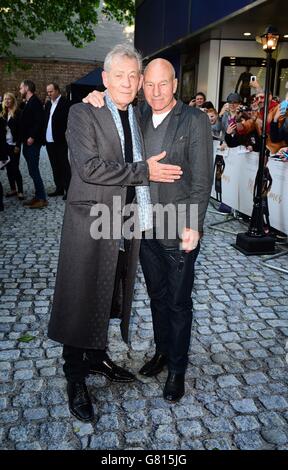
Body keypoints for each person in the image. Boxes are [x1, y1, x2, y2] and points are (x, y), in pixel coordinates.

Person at [47, 44, 182, 422]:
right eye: (117, 76)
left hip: (124, 223)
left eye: (132, 76)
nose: (126, 82)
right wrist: (143, 172)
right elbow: (89, 168)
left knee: (110, 293)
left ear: (139, 82)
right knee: (81, 295)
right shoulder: (82, 112)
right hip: (90, 222)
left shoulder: (137, 116)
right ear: (104, 79)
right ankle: (74, 374)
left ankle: (95, 356)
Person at [84, 58, 213, 403]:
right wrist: (94, 97)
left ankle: (178, 369)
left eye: (163, 84)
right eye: (150, 85)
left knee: (178, 301)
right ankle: (162, 352)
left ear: (175, 84)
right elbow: (110, 117)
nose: (156, 92)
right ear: (143, 85)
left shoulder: (195, 120)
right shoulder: (137, 116)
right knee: (156, 296)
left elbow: (202, 180)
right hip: (145, 226)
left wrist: (194, 226)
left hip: (179, 224)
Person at [19, 80, 47, 209]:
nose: (20, 90)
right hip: (27, 142)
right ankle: (38, 196)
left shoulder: (35, 102)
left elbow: (39, 121)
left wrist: (32, 137)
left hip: (32, 142)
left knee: (34, 171)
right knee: (32, 170)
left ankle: (42, 198)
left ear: (26, 88)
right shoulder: (29, 102)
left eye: (21, 88)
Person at [44, 83, 71, 200]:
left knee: (64, 165)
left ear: (57, 90)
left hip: (60, 140)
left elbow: (68, 123)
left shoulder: (65, 103)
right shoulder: (48, 104)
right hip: (49, 140)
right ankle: (59, 188)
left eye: (51, 91)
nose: (49, 94)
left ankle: (69, 190)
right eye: (48, 92)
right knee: (54, 165)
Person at [0, 93, 23, 200]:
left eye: (9, 99)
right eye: (5, 99)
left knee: (15, 168)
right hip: (5, 145)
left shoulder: (18, 113)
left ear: (13, 100)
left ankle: (21, 191)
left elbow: (20, 131)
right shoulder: (2, 113)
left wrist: (18, 145)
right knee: (8, 169)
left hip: (14, 145)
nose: (7, 101)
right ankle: (13, 189)